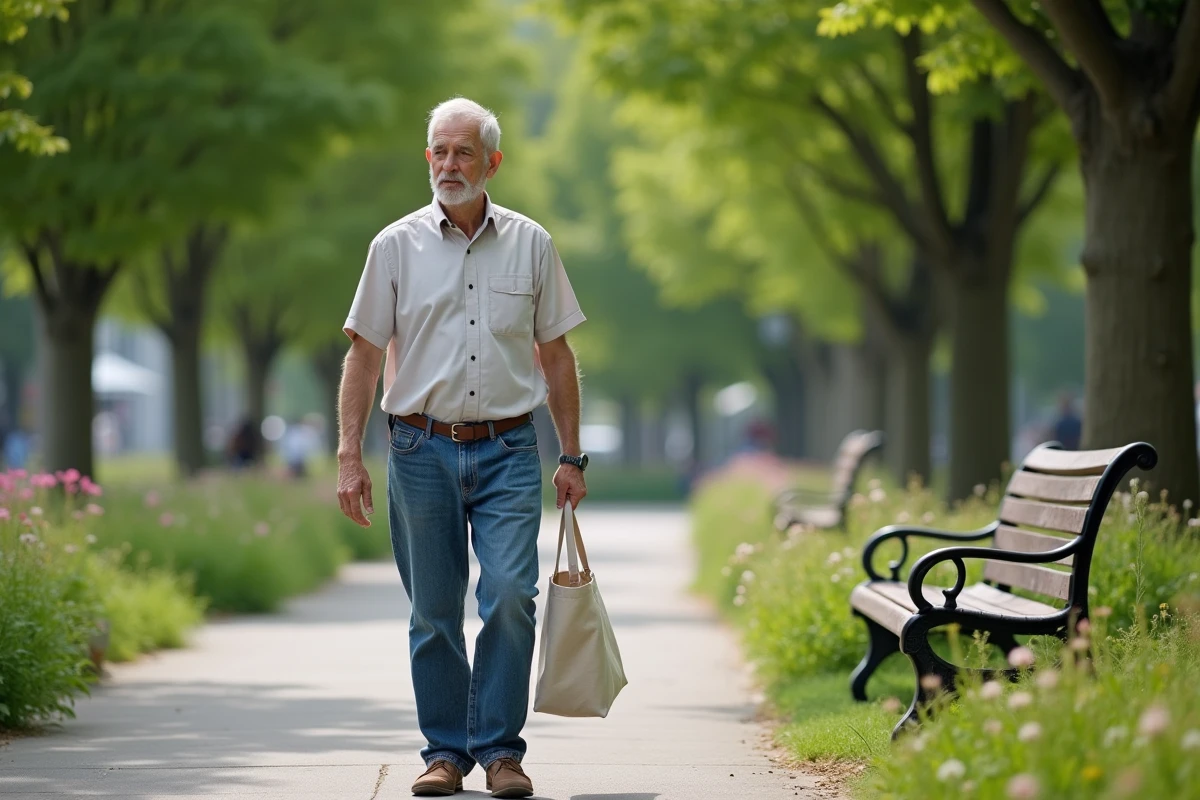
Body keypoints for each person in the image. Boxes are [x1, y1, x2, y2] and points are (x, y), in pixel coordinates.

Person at [335, 97, 588, 799]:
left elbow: (557, 355)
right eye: (439, 153)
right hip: (419, 449)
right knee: (434, 612)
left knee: (511, 595)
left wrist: (570, 456)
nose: (449, 165)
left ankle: (502, 753)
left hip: (510, 449)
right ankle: (445, 753)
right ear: (428, 159)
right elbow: (362, 359)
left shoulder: (532, 244)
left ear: (493, 163)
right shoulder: (393, 247)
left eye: (464, 153)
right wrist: (349, 457)